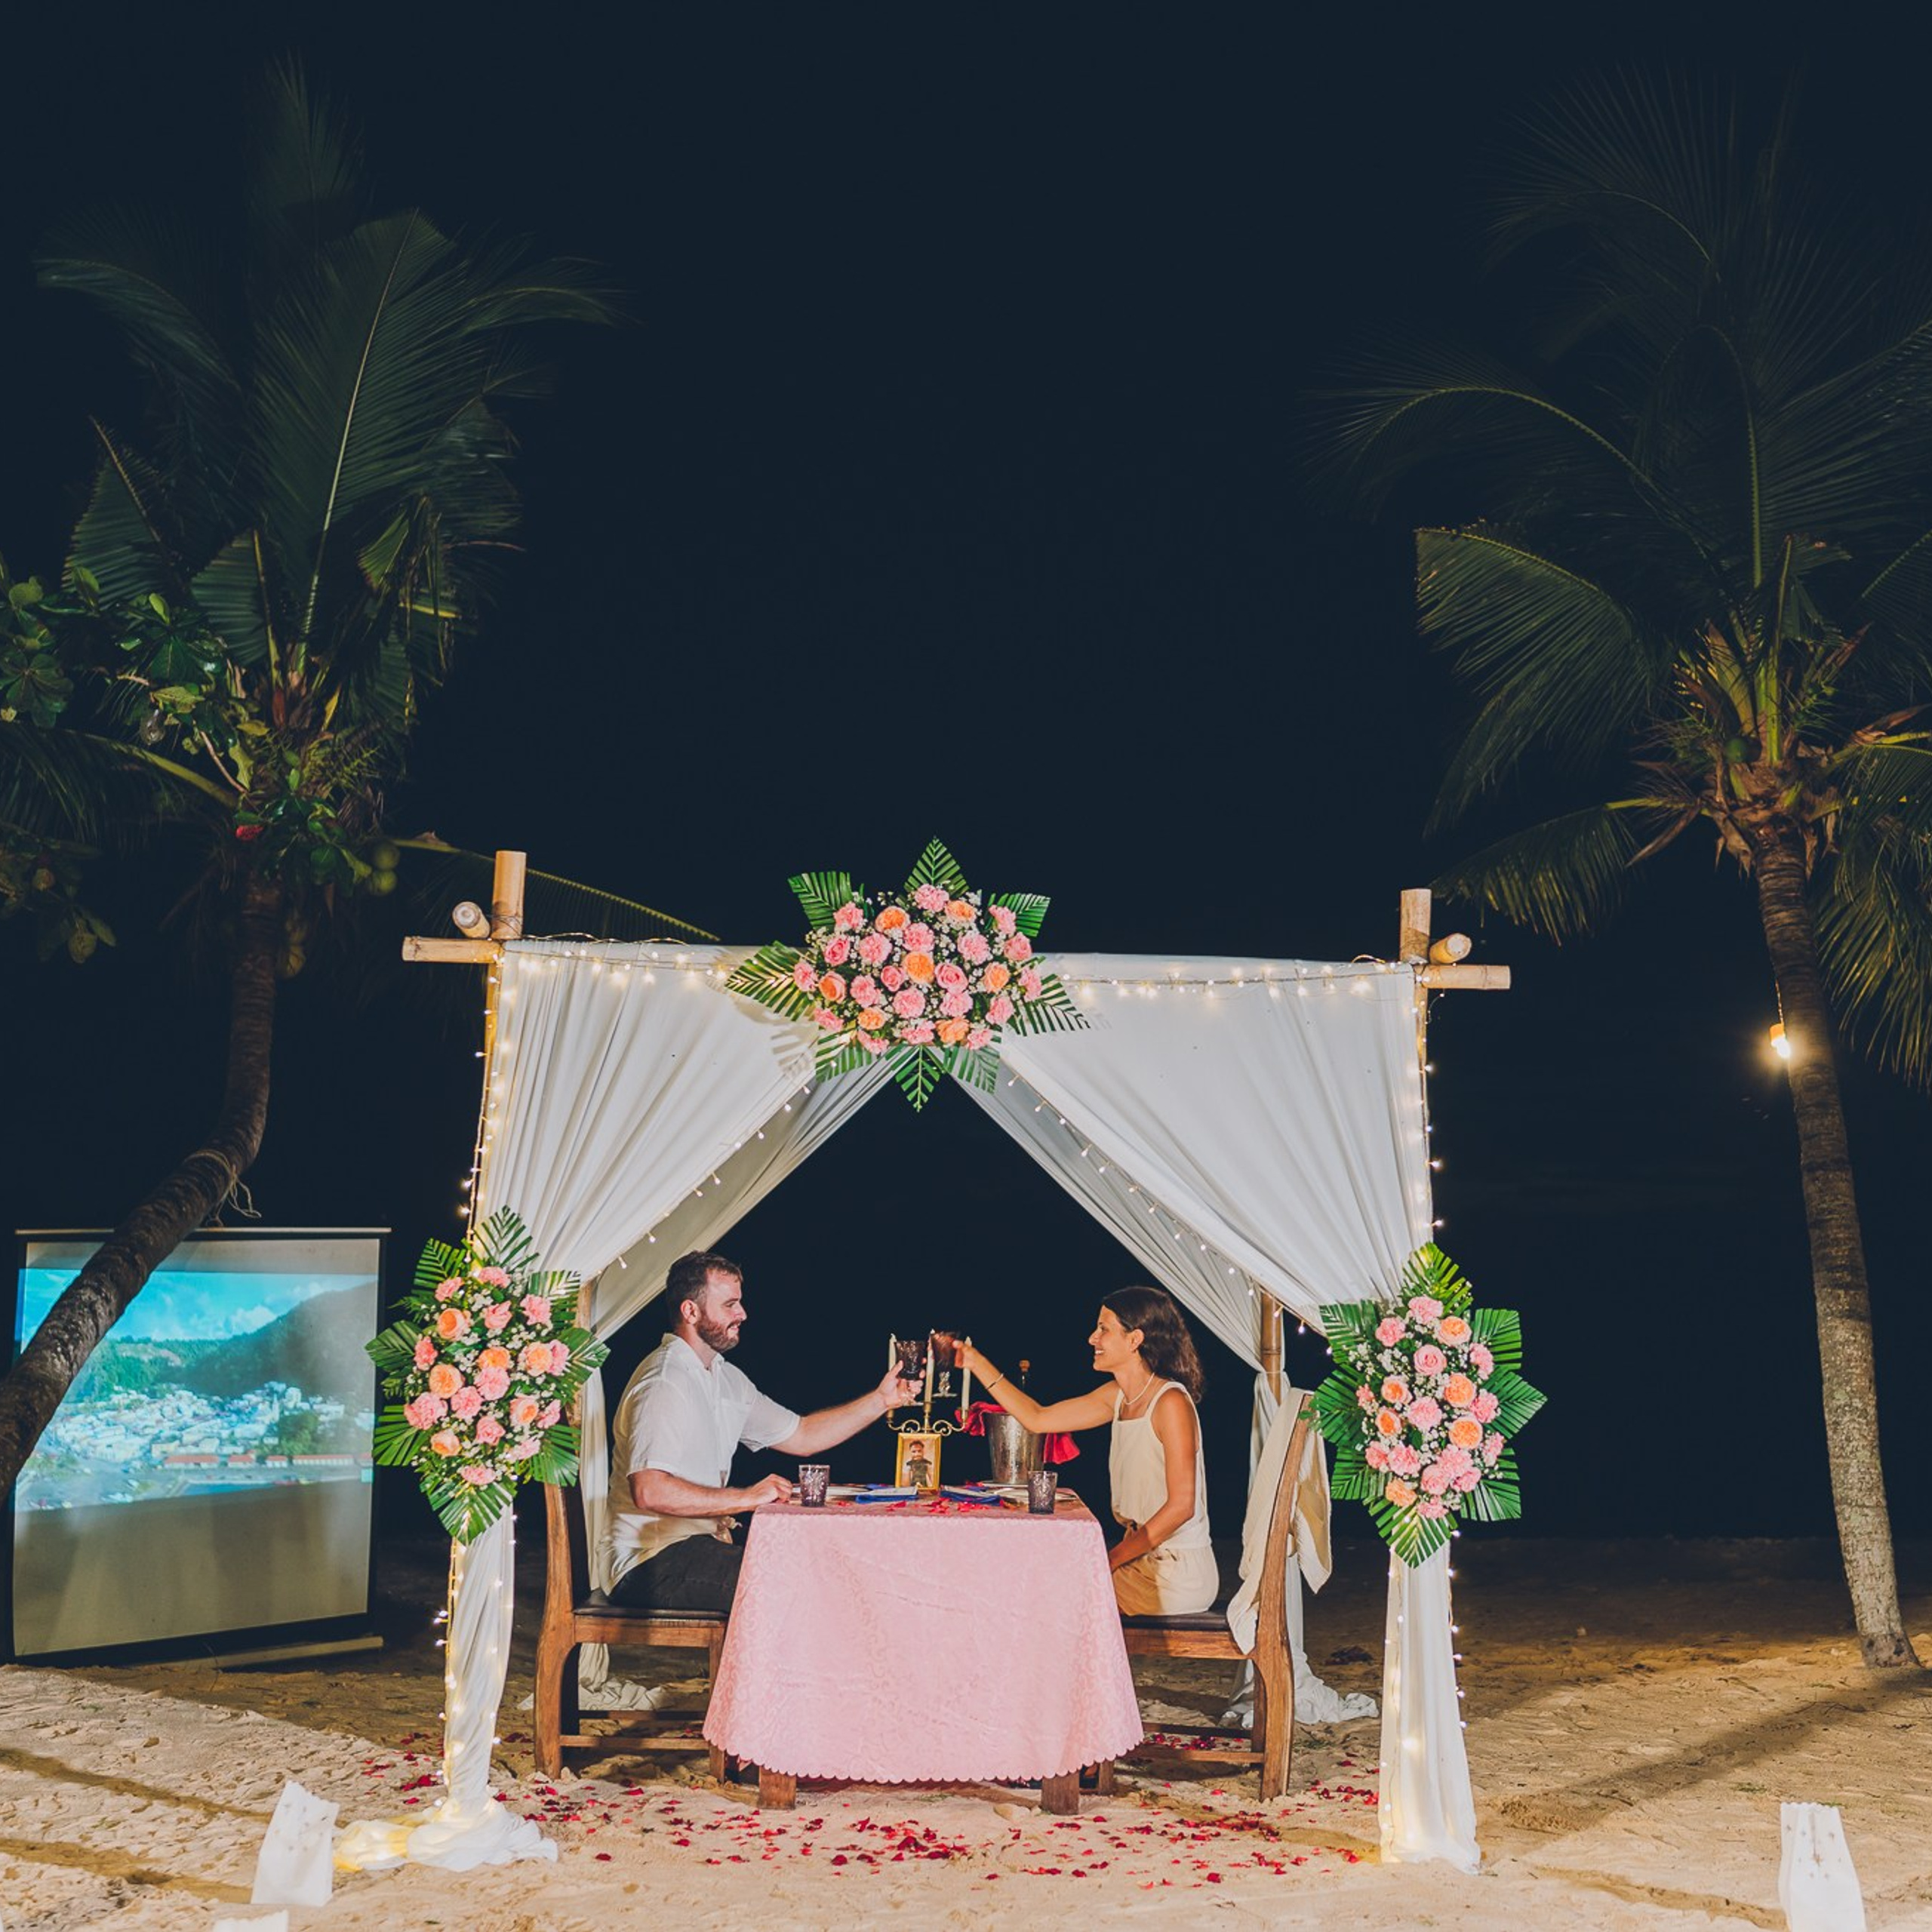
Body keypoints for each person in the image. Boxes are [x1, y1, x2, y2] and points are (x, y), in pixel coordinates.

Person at [605, 1251, 920, 1611]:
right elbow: (649, 1490)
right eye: (730, 1305)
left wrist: (881, 1401)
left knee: (813, 1566)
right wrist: (748, 1498)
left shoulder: (726, 1379)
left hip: (697, 1547)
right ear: (690, 1311)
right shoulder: (665, 1382)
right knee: (791, 1583)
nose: (743, 1314)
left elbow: (803, 1435)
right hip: (647, 1561)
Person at [960, 1287, 1216, 1615]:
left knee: (1051, 1598)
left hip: (1176, 1572)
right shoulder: (1118, 1396)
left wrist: (1110, 1559)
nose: (1092, 1338)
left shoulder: (1170, 1402)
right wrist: (977, 1363)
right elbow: (1038, 1419)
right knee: (1042, 1584)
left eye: (1103, 1329)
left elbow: (1182, 1507)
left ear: (1134, 1339)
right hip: (1138, 1560)